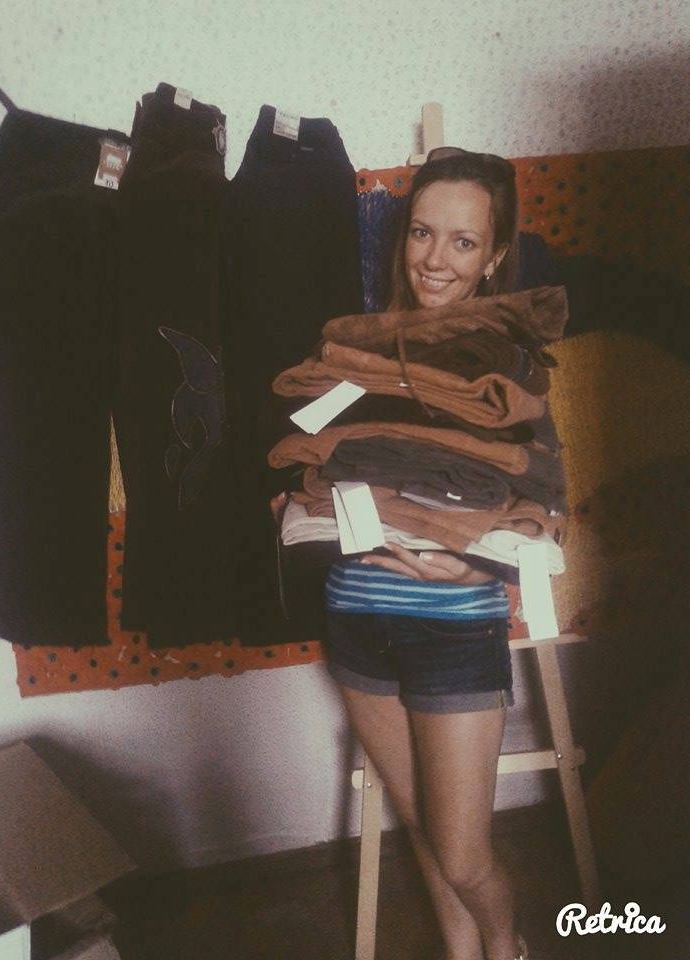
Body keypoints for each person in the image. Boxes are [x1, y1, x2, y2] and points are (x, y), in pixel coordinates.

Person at [273, 148, 531, 960]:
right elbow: (293, 451)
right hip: (358, 621)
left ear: (493, 256)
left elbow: (543, 498)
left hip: (454, 627)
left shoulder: (510, 364)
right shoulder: (361, 357)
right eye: (422, 233)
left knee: (462, 851)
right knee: (419, 820)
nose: (435, 259)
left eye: (463, 241)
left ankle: (506, 946)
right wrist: (296, 499)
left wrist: (483, 562)